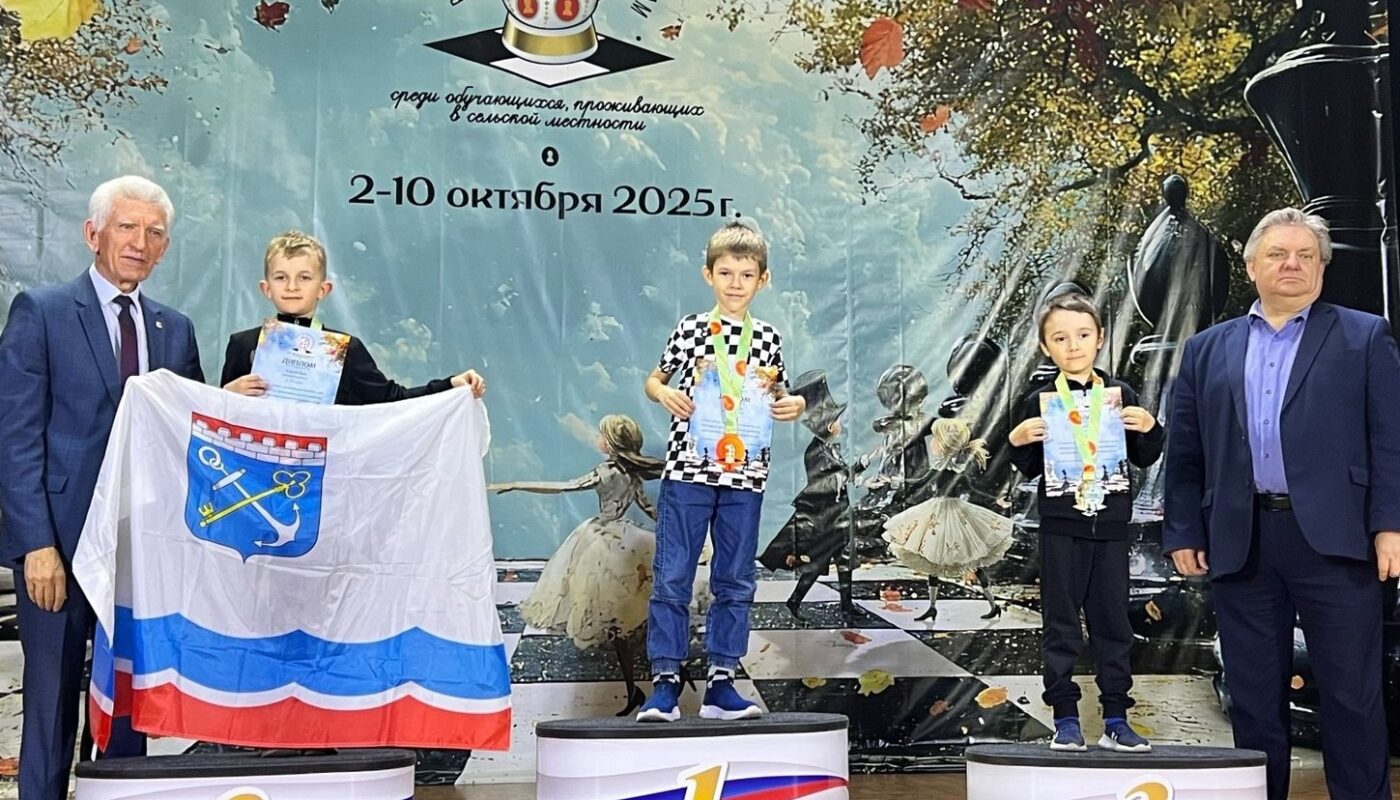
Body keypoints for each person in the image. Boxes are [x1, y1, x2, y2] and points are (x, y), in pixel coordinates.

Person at [1164, 208, 1400, 800]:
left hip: (1339, 540)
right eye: (1277, 254)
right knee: (1251, 698)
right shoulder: (1205, 349)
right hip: (1241, 541)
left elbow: (1391, 439)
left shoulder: (1365, 336)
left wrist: (1390, 525)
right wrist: (1184, 529)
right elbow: (1185, 451)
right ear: (1252, 267)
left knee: (1351, 696)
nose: (1292, 264)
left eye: (1305, 255)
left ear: (1321, 267)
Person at [0, 176, 205, 800]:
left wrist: (237, 404)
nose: (140, 242)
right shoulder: (42, 311)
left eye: (154, 232)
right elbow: (14, 438)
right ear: (94, 234)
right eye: (126, 227)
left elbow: (189, 433)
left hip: (141, 552)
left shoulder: (176, 329)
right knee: (50, 707)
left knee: (128, 709)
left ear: (165, 247)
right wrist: (35, 546)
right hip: (58, 550)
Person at [635, 221, 806, 722]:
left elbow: (778, 392)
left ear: (763, 280)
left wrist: (793, 403)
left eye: (746, 274)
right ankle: (665, 683)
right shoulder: (691, 328)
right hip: (689, 471)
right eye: (726, 272)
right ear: (707, 274)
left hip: (745, 477)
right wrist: (662, 393)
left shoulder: (768, 338)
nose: (735, 283)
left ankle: (722, 683)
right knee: (673, 575)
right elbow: (654, 379)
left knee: (734, 578)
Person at [1008, 291, 1163, 753]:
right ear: (1045, 346)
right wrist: (1017, 440)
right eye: (1060, 338)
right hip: (1061, 530)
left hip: (1110, 530)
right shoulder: (1038, 400)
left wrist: (1151, 428)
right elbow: (1027, 467)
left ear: (1099, 338)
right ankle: (1065, 718)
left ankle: (1116, 719)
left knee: (1113, 625)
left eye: (1082, 335)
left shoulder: (1120, 396)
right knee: (1061, 626)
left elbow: (1144, 456)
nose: (1072, 345)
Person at [490, 415, 665, 716]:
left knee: (614, 619)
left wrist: (517, 484)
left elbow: (565, 487)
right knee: (622, 621)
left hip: (604, 545)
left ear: (611, 442)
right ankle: (640, 685)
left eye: (601, 435)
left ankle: (642, 684)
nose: (598, 439)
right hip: (623, 540)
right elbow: (648, 508)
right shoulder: (630, 473)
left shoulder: (607, 471)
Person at [221, 230, 484, 402]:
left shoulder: (345, 350)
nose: (292, 287)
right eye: (281, 277)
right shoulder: (243, 345)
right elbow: (214, 421)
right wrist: (226, 395)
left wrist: (450, 386)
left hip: (325, 467)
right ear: (266, 288)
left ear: (324, 289)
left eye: (304, 278)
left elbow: (392, 400)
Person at [882, 417, 1010, 622]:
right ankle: (934, 607)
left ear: (944, 443)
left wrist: (995, 501)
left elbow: (970, 490)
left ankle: (992, 605)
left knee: (968, 561)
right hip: (938, 513)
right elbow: (920, 483)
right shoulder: (945, 467)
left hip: (952, 515)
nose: (932, 443)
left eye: (935, 438)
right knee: (934, 558)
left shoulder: (951, 470)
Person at [758, 370, 857, 621]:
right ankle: (794, 601)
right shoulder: (816, 451)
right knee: (817, 565)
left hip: (839, 515)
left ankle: (846, 605)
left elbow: (841, 475)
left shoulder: (831, 449)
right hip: (825, 520)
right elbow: (823, 483)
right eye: (837, 420)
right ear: (829, 425)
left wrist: (859, 468)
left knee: (844, 560)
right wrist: (844, 477)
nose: (840, 425)